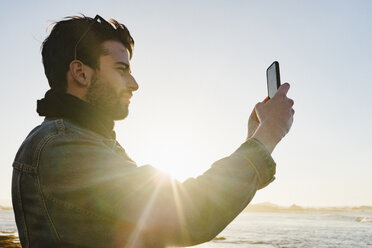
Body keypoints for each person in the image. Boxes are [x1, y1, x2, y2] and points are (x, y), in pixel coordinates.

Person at [11, 14, 294, 248]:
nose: (134, 83)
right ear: (81, 73)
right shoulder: (61, 147)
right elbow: (185, 214)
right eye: (122, 69)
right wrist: (265, 139)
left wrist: (253, 140)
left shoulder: (84, 141)